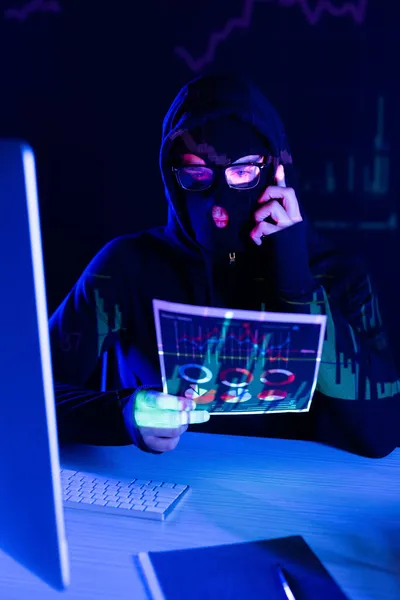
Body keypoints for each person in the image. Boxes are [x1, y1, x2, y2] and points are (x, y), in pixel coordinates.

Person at [50, 72, 400, 458]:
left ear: (276, 171)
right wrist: (122, 413)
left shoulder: (337, 273)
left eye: (243, 171)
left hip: (295, 504)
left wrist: (299, 291)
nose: (218, 207)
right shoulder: (127, 267)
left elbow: (383, 431)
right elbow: (23, 389)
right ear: (171, 176)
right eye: (196, 174)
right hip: (158, 490)